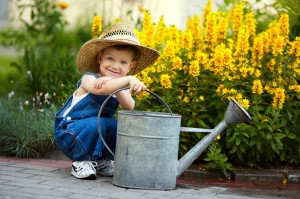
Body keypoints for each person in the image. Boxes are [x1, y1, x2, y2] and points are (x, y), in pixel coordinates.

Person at [54, 22, 160, 179]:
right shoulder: (89, 78)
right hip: (70, 134)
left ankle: (102, 160)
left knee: (117, 126)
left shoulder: (120, 85)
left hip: (94, 133)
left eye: (123, 62)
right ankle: (80, 162)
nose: (116, 66)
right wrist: (129, 78)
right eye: (110, 59)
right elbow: (100, 89)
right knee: (98, 123)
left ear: (131, 65)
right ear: (99, 58)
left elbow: (129, 106)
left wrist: (124, 85)